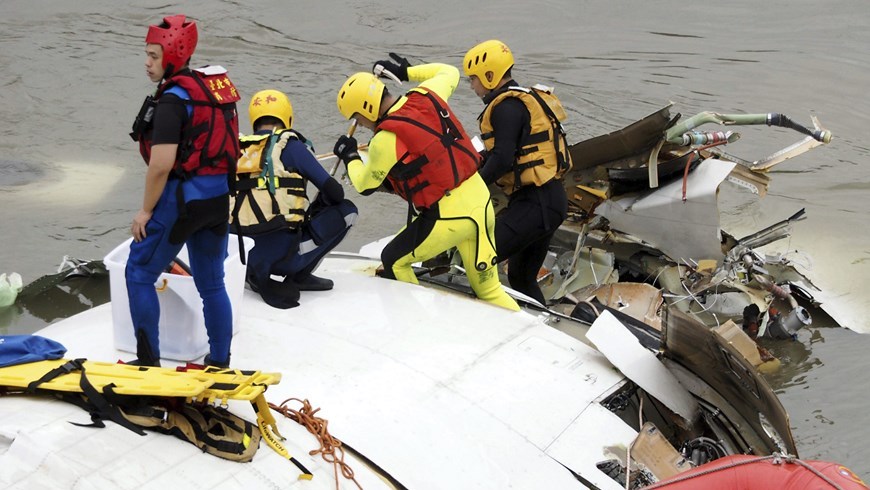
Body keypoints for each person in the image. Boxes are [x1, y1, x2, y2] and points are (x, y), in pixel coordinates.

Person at [333, 55, 519, 311]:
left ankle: (416, 325)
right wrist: (406, 71)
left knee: (393, 260)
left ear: (365, 110)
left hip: (451, 218)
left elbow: (365, 184)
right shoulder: (426, 94)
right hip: (481, 203)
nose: (361, 125)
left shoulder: (385, 139)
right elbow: (448, 71)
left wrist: (350, 156)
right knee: (489, 290)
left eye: (357, 118)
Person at [127, 14, 240, 367]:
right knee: (212, 284)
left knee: (138, 273)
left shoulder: (173, 101)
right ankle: (220, 360)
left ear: (174, 55)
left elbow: (161, 164)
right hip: (217, 201)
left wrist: (145, 211)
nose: (147, 63)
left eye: (154, 56)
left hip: (182, 203)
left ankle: (148, 364)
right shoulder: (213, 90)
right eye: (146, 55)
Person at [463, 40, 573, 305]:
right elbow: (508, 151)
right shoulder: (521, 100)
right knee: (521, 278)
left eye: (474, 79)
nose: (472, 86)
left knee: (481, 257)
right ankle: (542, 322)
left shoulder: (506, 107)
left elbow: (502, 158)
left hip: (536, 204)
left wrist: (470, 188)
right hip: (550, 201)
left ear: (490, 76)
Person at [232, 89, 358, 309]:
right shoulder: (291, 145)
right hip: (283, 260)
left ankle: (254, 272)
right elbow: (336, 194)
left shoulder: (236, 148)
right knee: (348, 211)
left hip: (239, 257)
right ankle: (299, 275)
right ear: (287, 118)